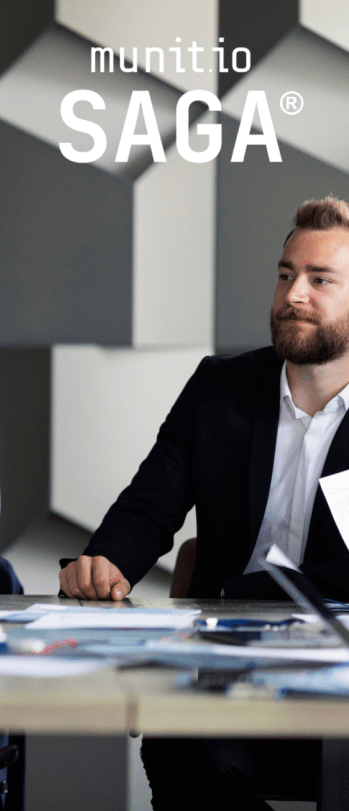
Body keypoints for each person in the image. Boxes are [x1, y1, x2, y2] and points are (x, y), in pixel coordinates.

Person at [58, 197, 349, 807]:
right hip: (227, 674)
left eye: (320, 280)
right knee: (184, 749)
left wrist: (241, 595)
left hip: (341, 673)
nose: (293, 295)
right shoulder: (220, 388)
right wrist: (106, 562)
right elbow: (149, 505)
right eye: (286, 274)